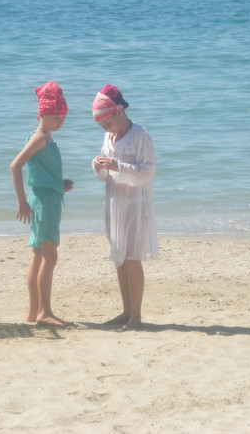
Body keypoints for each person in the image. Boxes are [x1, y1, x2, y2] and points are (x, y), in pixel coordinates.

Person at [92, 84, 157, 330]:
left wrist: (118, 166)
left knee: (132, 258)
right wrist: (98, 165)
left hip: (135, 205)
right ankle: (126, 311)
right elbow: (104, 173)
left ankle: (136, 317)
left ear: (119, 112)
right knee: (119, 259)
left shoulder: (140, 135)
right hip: (114, 203)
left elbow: (148, 170)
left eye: (107, 123)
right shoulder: (109, 136)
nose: (105, 129)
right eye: (102, 126)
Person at [10, 81, 73, 327]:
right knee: (50, 256)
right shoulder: (39, 139)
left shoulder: (45, 138)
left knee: (38, 254)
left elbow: (41, 171)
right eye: (56, 117)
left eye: (63, 117)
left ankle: (33, 311)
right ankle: (44, 312)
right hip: (43, 203)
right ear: (42, 114)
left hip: (48, 198)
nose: (60, 121)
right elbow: (15, 166)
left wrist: (60, 182)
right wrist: (21, 202)